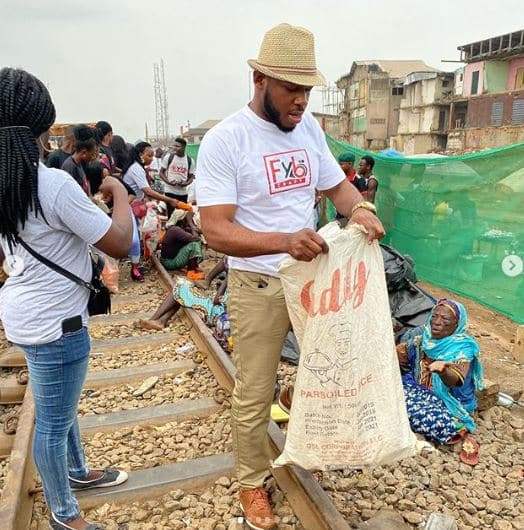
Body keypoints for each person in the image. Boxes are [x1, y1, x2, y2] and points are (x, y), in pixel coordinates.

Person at [195, 23, 385, 529]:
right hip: (259, 285)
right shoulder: (226, 140)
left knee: (328, 372)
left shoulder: (309, 130)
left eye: (307, 89)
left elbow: (339, 189)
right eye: (291, 89)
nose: (301, 101)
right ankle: (252, 482)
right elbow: (214, 230)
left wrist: (360, 209)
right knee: (254, 389)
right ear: (259, 80)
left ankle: (313, 443)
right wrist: (283, 240)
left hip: (313, 282)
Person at [0, 67, 133, 530]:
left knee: (59, 403)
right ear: (42, 128)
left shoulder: (6, 184)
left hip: (27, 313)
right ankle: (64, 515)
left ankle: (78, 472)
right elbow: (119, 243)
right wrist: (118, 192)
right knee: (53, 423)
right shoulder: (50, 185)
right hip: (58, 322)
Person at [396, 298, 483, 465]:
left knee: (400, 403)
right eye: (434, 316)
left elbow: (456, 380)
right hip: (420, 395)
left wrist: (444, 371)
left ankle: (454, 430)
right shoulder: (422, 341)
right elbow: (397, 356)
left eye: (445, 320)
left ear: (457, 324)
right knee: (390, 391)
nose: (436, 322)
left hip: (450, 408)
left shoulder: (463, 348)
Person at [136, 276, 227, 331]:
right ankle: (160, 321)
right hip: (228, 317)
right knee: (183, 294)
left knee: (181, 286)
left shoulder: (235, 269)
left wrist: (224, 282)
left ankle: (156, 319)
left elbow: (217, 300)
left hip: (219, 316)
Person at [160, 210, 204, 276]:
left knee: (195, 242)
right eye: (186, 219)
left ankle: (194, 266)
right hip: (169, 263)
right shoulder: (175, 230)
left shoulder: (176, 228)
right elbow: (196, 238)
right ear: (182, 220)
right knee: (194, 245)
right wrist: (191, 224)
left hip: (168, 260)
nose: (188, 221)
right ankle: (191, 270)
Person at [159, 137, 195, 216]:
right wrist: (168, 182)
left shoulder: (190, 160)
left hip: (183, 192)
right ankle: (172, 228)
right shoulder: (168, 157)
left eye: (177, 146)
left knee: (182, 215)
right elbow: (161, 173)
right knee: (172, 216)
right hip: (170, 191)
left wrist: (186, 183)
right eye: (174, 146)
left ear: (184, 147)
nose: (174, 148)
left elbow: (191, 176)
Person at [61, 125, 98, 195]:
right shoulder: (70, 167)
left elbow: (86, 181)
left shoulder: (80, 163)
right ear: (84, 153)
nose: (93, 157)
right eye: (92, 154)